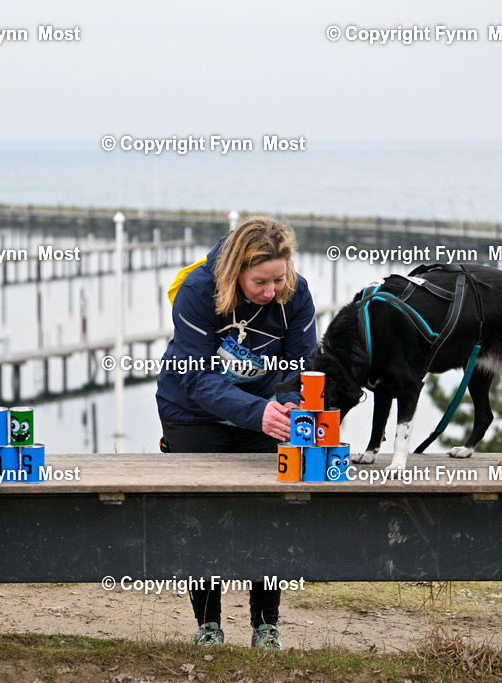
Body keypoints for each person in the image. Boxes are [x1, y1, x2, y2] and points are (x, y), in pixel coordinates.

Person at [156, 215, 317, 649]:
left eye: (278, 279)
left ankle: (266, 625)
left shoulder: (296, 294)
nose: (272, 291)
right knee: (203, 513)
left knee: (268, 512)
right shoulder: (196, 291)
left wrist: (287, 408)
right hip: (190, 412)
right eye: (260, 282)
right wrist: (257, 412)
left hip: (266, 409)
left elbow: (303, 367)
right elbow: (197, 376)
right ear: (236, 271)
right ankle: (208, 624)